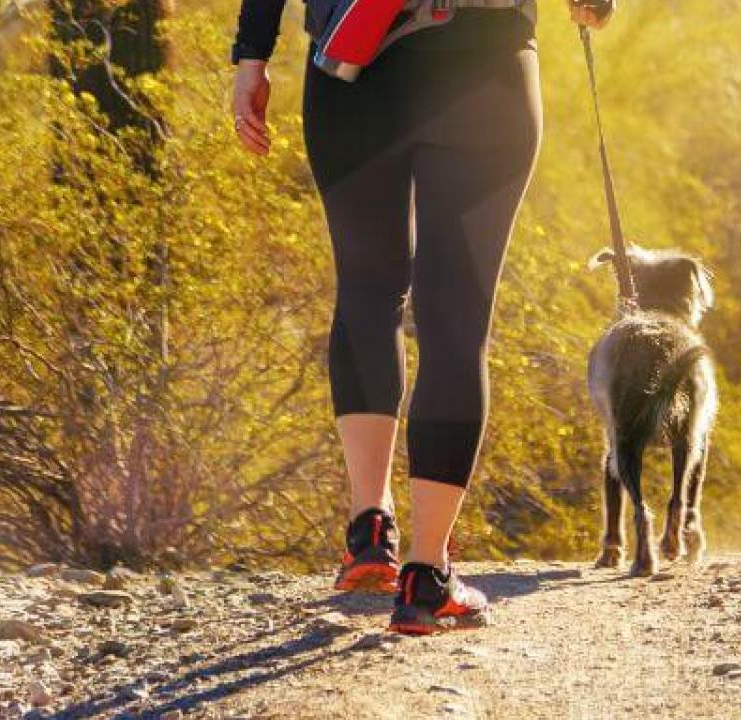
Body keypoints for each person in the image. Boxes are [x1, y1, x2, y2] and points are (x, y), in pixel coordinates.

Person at [229, 0, 615, 635]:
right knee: (454, 321)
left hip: (352, 66)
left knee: (366, 288)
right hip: (484, 69)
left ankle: (369, 530)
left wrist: (253, 57)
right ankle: (425, 576)